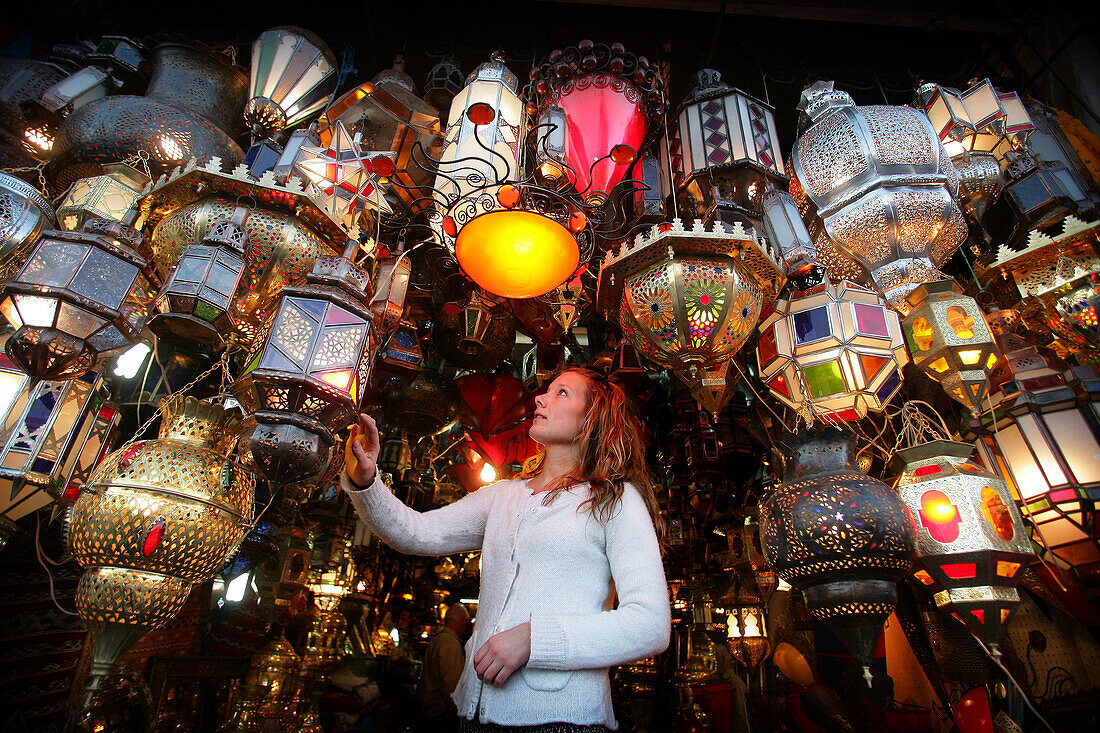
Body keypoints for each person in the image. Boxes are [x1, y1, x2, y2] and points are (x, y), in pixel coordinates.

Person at [342, 367, 670, 732]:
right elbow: (417, 532)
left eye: (562, 393)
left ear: (592, 417)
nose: (541, 398)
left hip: (561, 721)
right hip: (473, 716)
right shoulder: (503, 496)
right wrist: (366, 480)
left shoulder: (615, 501)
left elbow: (650, 626)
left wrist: (534, 639)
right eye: (546, 390)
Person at [417, 602, 472, 732]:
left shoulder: (438, 640)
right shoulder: (450, 644)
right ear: (462, 621)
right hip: (439, 714)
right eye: (465, 622)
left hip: (428, 709)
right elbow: (452, 686)